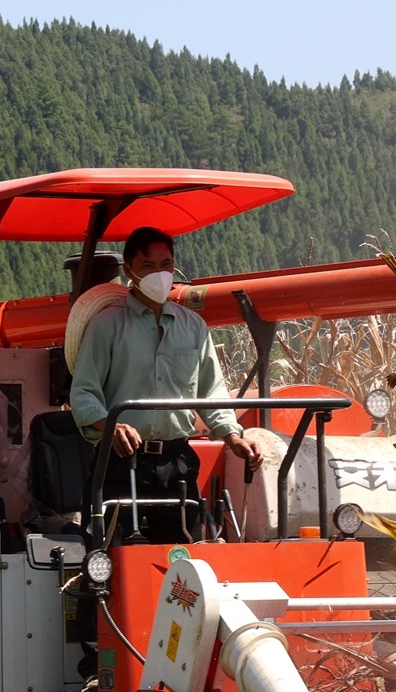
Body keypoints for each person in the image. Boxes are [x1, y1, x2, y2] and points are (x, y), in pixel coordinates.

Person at [69, 226, 262, 541]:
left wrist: (232, 437)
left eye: (166, 264)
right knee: (114, 560)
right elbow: (84, 394)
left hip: (178, 462)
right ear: (129, 270)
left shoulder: (194, 327)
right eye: (148, 266)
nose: (159, 273)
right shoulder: (106, 326)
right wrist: (111, 425)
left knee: (182, 561)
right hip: (120, 461)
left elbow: (212, 392)